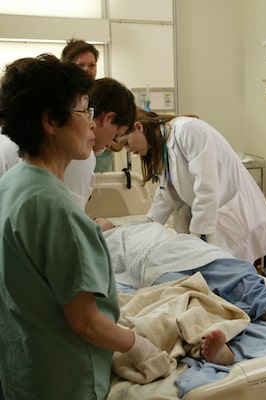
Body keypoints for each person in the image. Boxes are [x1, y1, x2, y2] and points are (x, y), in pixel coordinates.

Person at [0, 54, 167, 400]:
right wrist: (139, 346)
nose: (92, 124)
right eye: (84, 111)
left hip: (22, 371)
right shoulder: (57, 209)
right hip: (64, 380)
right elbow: (87, 322)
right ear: (51, 121)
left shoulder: (12, 184)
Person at [100, 221, 266, 366]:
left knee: (243, 280)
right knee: (187, 299)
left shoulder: (147, 225)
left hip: (188, 249)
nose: (97, 221)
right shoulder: (98, 245)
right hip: (152, 266)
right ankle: (213, 346)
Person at [115, 109, 266, 264]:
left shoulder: (188, 130)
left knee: (235, 271)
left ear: (139, 127)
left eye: (126, 143)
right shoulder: (162, 147)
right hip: (212, 223)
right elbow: (166, 194)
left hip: (232, 219)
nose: (129, 150)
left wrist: (195, 238)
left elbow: (206, 188)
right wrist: (146, 226)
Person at [64, 77, 136, 209]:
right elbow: (69, 214)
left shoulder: (61, 142)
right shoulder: (79, 153)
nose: (109, 144)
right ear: (108, 118)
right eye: (115, 136)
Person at [61, 37, 123, 172]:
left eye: (92, 65)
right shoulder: (62, 100)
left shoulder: (103, 94)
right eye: (80, 65)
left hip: (99, 166)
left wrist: (108, 140)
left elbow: (119, 141)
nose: (86, 70)